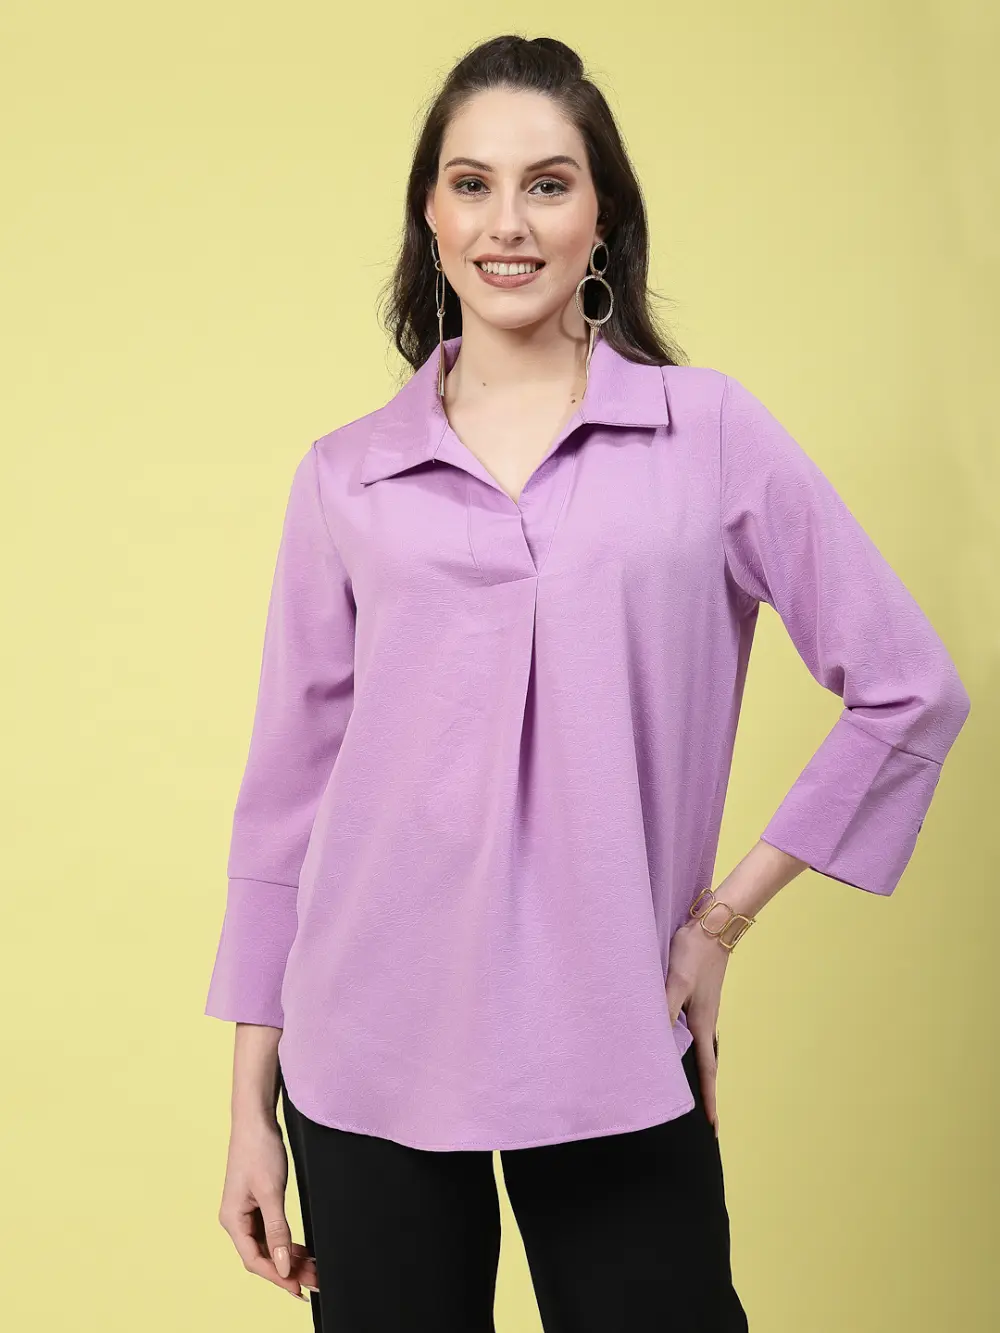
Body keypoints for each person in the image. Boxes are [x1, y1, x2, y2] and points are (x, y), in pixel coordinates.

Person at [203, 33, 971, 1333]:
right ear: (430, 216)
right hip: (363, 1044)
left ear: (601, 214)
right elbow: (287, 799)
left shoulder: (706, 433)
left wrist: (718, 924)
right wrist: (245, 1112)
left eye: (548, 184)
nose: (508, 222)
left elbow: (909, 687)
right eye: (472, 184)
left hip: (613, 1033)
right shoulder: (346, 476)